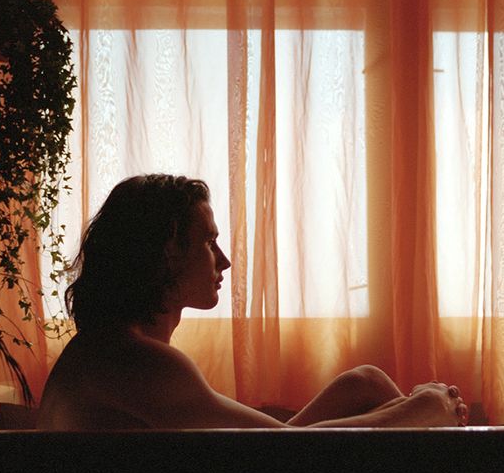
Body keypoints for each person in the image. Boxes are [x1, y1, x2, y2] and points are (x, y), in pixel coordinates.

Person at [36, 173, 467, 430]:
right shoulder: (134, 362)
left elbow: (271, 446)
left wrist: (399, 407)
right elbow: (282, 454)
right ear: (168, 253)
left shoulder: (109, 351)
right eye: (208, 243)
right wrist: (422, 410)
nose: (223, 261)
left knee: (367, 382)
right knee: (404, 415)